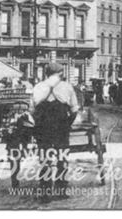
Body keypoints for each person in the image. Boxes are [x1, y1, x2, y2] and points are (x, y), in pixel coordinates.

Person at [31, 62, 80, 199]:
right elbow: (75, 110)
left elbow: (32, 110)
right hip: (61, 126)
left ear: (46, 73)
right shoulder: (66, 86)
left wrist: (38, 124)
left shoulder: (38, 87)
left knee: (44, 159)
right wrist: (67, 124)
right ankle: (61, 191)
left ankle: (45, 193)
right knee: (61, 158)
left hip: (43, 127)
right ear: (60, 73)